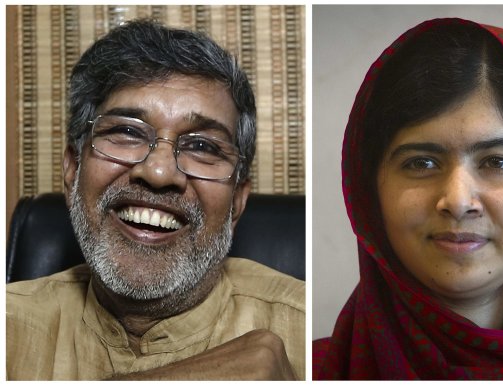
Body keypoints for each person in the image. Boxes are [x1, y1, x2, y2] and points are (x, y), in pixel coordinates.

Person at [312, 18, 503, 380]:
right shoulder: (307, 369)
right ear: (370, 191)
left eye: (498, 162)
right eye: (421, 163)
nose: (458, 202)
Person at [6, 19, 304, 380]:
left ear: (238, 202)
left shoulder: (307, 331)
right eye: (127, 132)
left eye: (201, 146)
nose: (159, 172)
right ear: (72, 171)